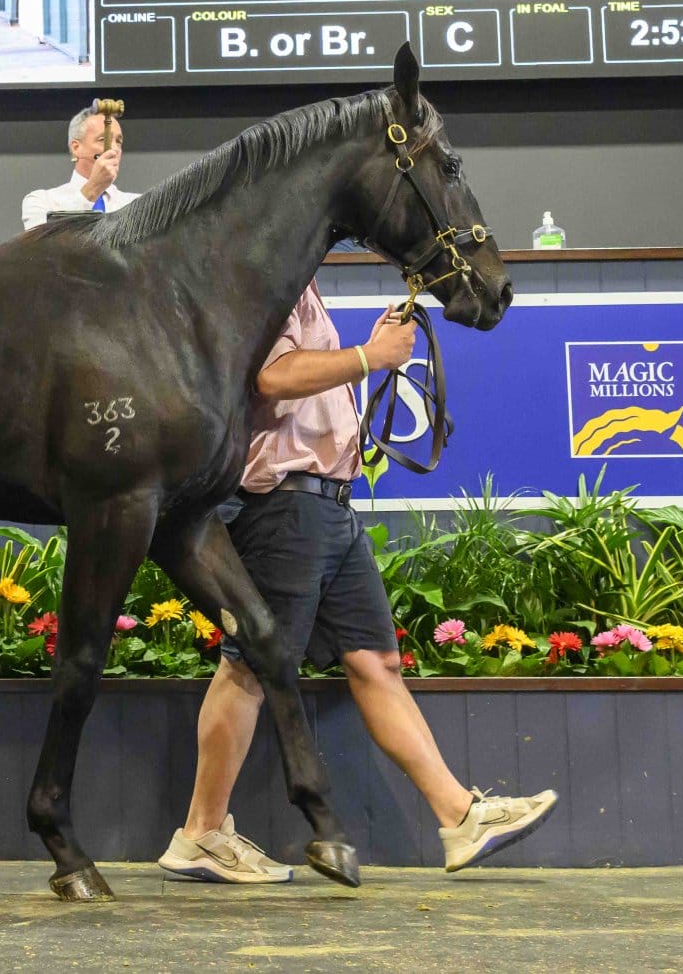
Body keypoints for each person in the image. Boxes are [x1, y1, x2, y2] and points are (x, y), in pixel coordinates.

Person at [157, 282, 557, 884]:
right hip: (284, 506)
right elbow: (274, 377)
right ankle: (200, 834)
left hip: (331, 508)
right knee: (247, 668)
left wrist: (371, 348)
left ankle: (460, 818)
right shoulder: (274, 282)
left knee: (376, 662)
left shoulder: (303, 286)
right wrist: (373, 357)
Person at [20, 101, 139, 229]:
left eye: (118, 141)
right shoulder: (42, 201)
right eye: (103, 140)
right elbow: (44, 246)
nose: (114, 149)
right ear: (76, 148)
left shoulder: (136, 205)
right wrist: (93, 188)